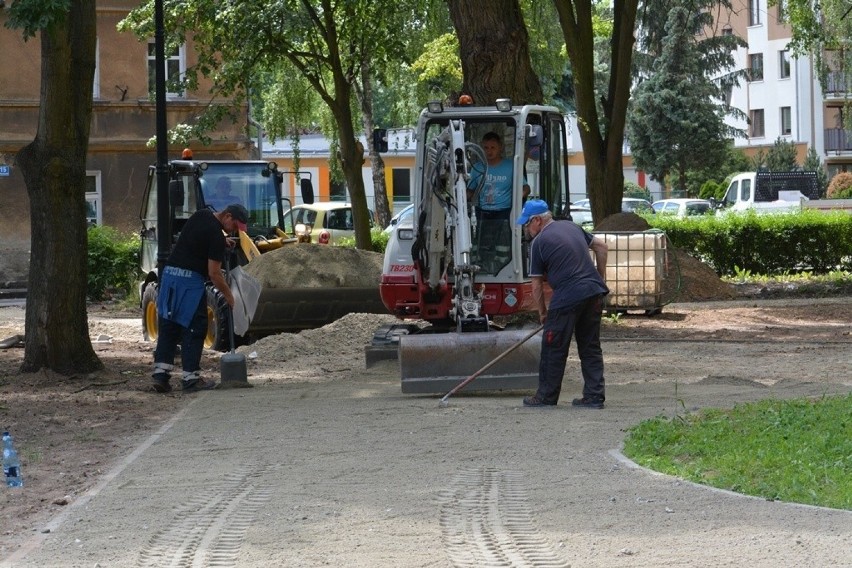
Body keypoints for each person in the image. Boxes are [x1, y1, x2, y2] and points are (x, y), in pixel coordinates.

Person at [515, 199, 610, 409]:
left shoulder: (538, 243)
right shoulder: (570, 226)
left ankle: (545, 397)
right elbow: (601, 247)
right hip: (594, 293)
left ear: (537, 221)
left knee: (553, 346)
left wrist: (542, 313)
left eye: (527, 224)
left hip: (567, 296)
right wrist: (599, 279)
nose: (526, 230)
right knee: (590, 346)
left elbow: (537, 285)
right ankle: (594, 397)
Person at [151, 203, 249, 393]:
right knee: (194, 328)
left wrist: (222, 240)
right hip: (189, 283)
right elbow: (214, 274)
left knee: (169, 326)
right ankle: (191, 379)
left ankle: (160, 377)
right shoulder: (215, 236)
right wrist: (229, 296)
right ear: (228, 216)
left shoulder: (202, 215)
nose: (235, 230)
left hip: (170, 278)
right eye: (235, 225)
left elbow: (199, 238)